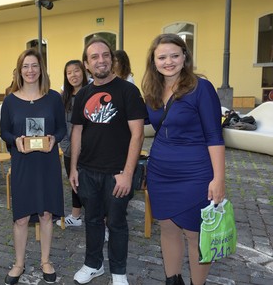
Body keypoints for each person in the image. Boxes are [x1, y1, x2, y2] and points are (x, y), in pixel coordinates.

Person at [141, 34, 225, 285]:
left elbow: (214, 136)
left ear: (185, 57)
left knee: (195, 233)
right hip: (160, 171)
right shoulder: (152, 90)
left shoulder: (201, 87)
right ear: (153, 61)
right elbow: (137, 122)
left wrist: (218, 178)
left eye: (175, 55)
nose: (169, 62)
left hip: (195, 172)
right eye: (162, 57)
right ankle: (172, 280)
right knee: (166, 227)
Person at [69, 38, 147, 285]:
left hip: (117, 173)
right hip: (88, 171)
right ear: (87, 64)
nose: (100, 60)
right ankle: (93, 265)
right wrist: (74, 168)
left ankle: (119, 272)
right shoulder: (82, 94)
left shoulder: (128, 91)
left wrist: (127, 173)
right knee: (91, 220)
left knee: (116, 223)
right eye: (94, 57)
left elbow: (138, 133)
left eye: (105, 55)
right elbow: (77, 133)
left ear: (112, 59)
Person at [0, 49, 66, 285]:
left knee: (46, 213)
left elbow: (62, 129)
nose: (30, 70)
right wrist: (14, 140)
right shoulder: (10, 100)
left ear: (41, 69)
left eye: (34, 65)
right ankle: (19, 264)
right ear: (19, 70)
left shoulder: (53, 98)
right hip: (23, 163)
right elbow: (5, 131)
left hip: (46, 162)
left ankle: (45, 261)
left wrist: (53, 139)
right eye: (25, 66)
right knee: (21, 217)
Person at [56, 60, 90, 228]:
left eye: (76, 71)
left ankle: (100, 223)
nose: (73, 75)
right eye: (69, 73)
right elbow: (60, 125)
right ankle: (76, 216)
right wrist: (67, 147)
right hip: (71, 150)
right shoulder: (64, 98)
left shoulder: (91, 94)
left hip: (92, 150)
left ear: (83, 72)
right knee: (74, 182)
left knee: (94, 187)